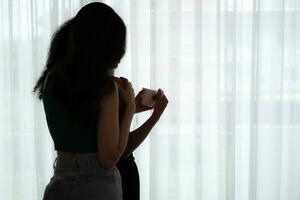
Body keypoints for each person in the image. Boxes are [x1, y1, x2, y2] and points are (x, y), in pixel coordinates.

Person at [32, 2, 168, 200]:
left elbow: (81, 122)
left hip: (59, 185)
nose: (120, 56)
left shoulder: (52, 80)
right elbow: (110, 157)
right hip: (97, 187)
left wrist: (122, 110)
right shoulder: (106, 88)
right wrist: (132, 108)